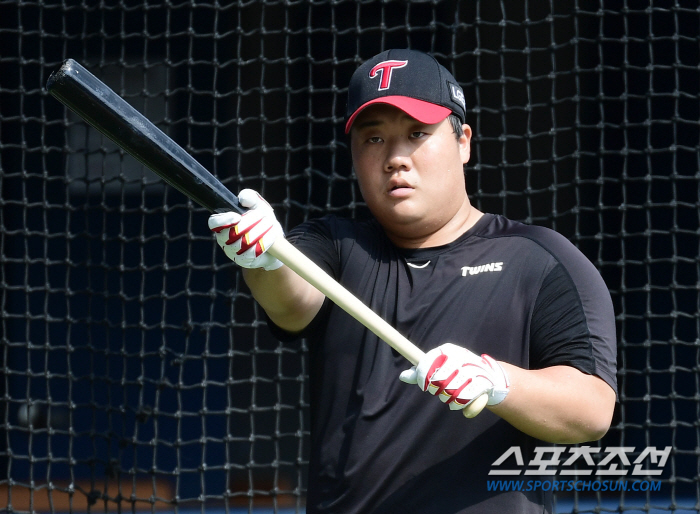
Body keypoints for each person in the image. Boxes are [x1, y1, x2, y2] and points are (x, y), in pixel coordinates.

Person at [209, 49, 617, 513]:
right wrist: (263, 258)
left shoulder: (540, 259)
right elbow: (291, 297)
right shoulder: (338, 247)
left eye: (418, 134)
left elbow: (592, 409)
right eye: (375, 138)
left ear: (463, 140)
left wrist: (498, 382)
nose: (395, 159)